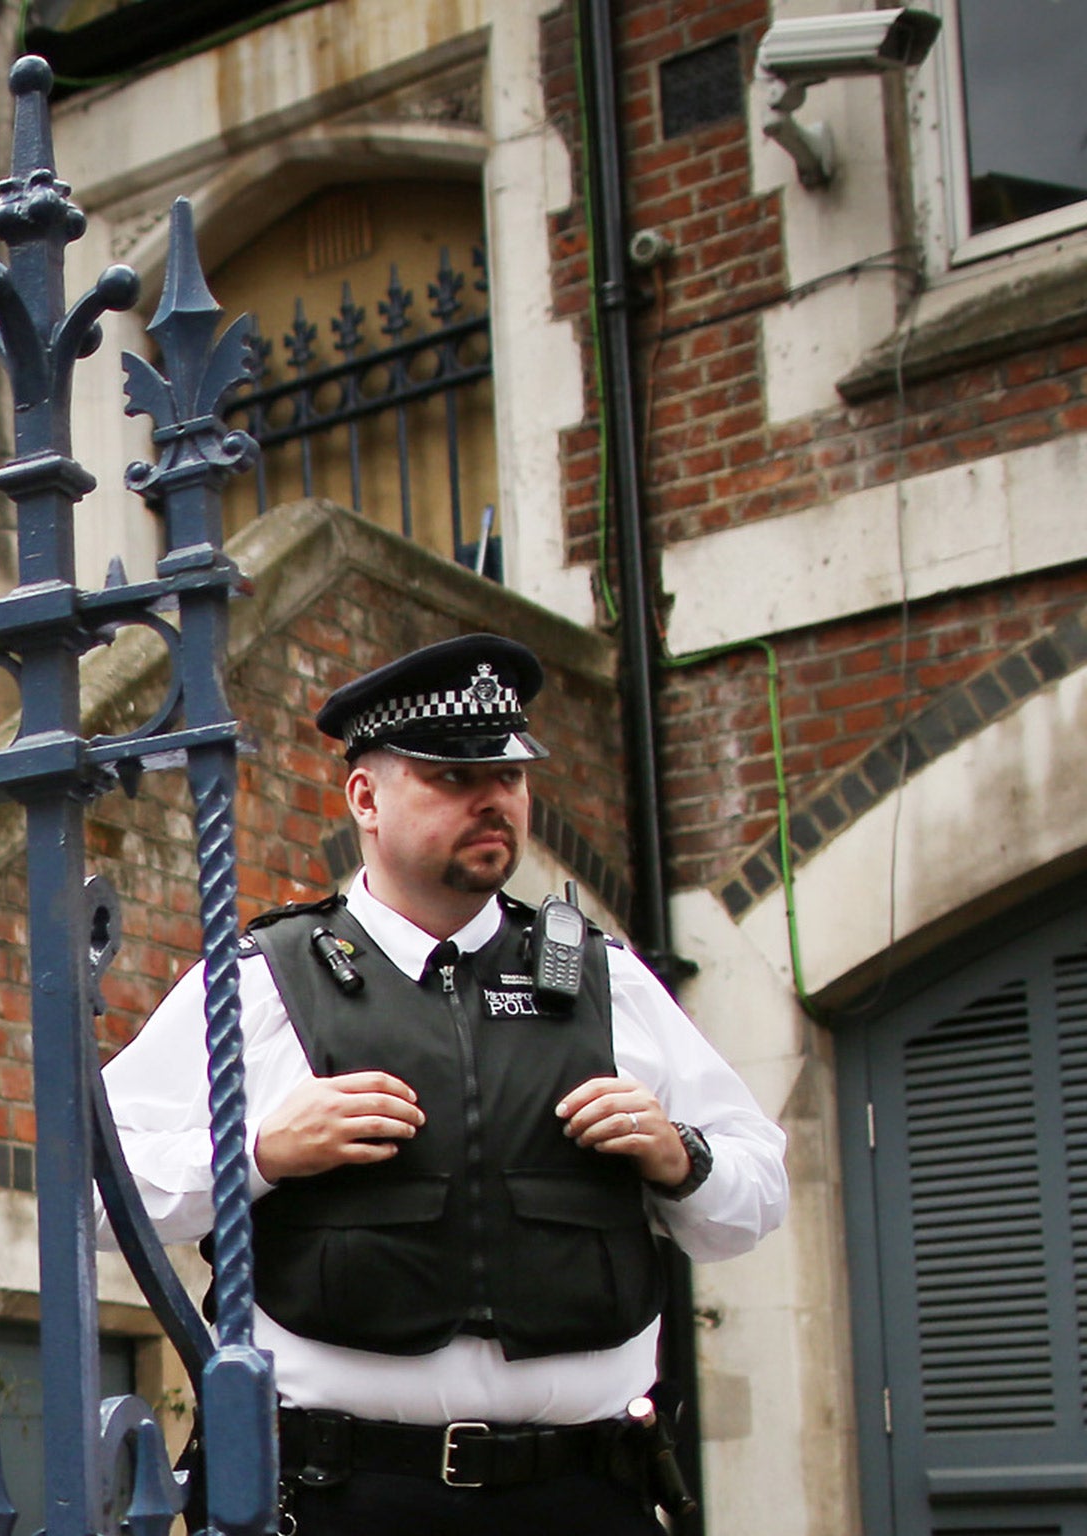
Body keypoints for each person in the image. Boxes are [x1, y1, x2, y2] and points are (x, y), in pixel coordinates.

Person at [101, 632, 788, 1536]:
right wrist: (257, 1155)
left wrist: (681, 1157)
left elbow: (757, 1199)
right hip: (342, 1497)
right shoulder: (263, 981)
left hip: (583, 1494)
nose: (493, 801)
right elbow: (94, 1197)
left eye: (507, 778)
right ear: (365, 798)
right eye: (452, 778)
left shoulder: (605, 981)